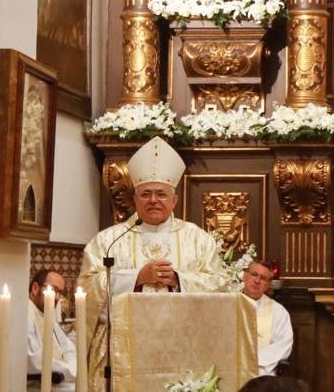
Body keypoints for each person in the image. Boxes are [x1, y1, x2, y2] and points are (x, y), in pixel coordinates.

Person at [78, 136, 230, 391]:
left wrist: (179, 279)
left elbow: (222, 286)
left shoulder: (198, 240)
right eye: (146, 194)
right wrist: (136, 278)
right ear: (135, 199)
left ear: (174, 200)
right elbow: (86, 290)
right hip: (123, 347)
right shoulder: (109, 241)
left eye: (161, 194)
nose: (153, 200)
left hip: (183, 346)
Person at [26, 270, 76, 391]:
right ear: (35, 288)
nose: (57, 297)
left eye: (60, 292)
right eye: (53, 290)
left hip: (64, 381)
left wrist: (72, 369)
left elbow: (68, 348)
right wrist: (70, 370)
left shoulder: (47, 315)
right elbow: (34, 360)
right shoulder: (24, 313)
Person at [241, 261, 292, 375]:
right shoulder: (229, 303)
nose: (257, 281)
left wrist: (252, 360)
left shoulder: (278, 312)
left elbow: (283, 345)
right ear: (244, 276)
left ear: (268, 285)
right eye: (254, 274)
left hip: (261, 371)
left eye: (263, 278)